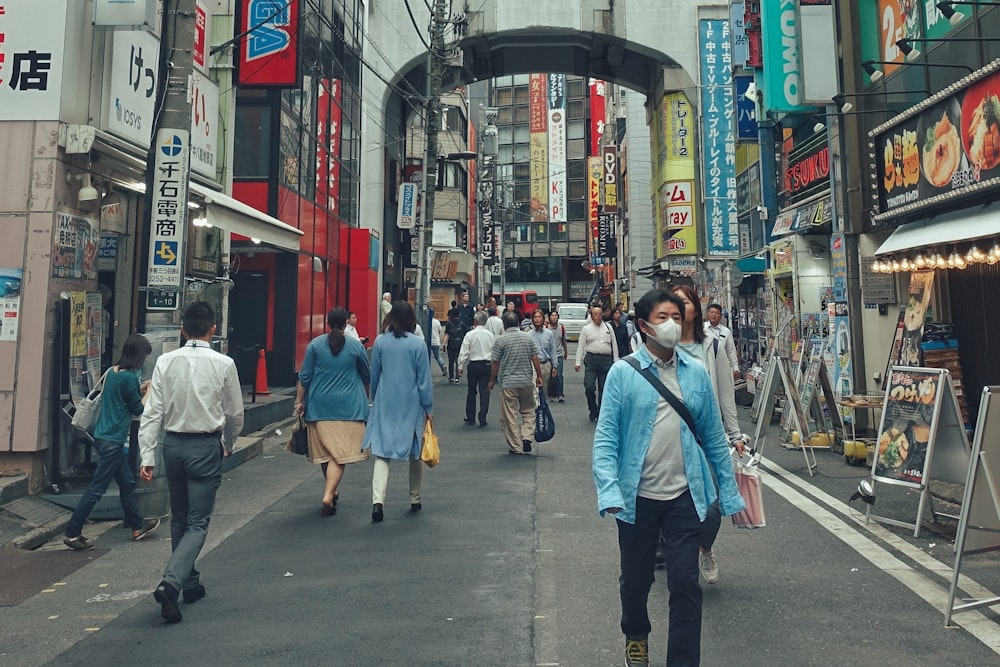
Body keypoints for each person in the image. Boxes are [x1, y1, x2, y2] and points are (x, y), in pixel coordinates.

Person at [592, 288, 745, 667]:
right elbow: (606, 438)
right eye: (663, 318)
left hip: (684, 496)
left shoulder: (695, 373)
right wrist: (609, 489)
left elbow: (711, 436)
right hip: (637, 498)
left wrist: (728, 493)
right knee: (636, 582)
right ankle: (636, 632)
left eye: (677, 317)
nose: (672, 325)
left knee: (684, 585)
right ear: (643, 326)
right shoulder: (622, 373)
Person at [139, 301, 244, 624]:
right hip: (204, 446)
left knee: (180, 518)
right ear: (213, 328)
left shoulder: (165, 362)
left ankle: (190, 582)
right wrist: (228, 442)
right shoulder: (224, 363)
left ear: (183, 329)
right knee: (198, 523)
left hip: (172, 445)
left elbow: (152, 411)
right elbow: (234, 413)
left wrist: (147, 454)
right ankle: (171, 583)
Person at [671, 285, 746, 585]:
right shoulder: (662, 345)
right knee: (673, 504)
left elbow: (725, 393)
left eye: (684, 301)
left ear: (695, 308)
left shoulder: (712, 346)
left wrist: (735, 434)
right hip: (670, 440)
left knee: (712, 509)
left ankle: (705, 547)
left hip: (705, 439)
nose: (679, 306)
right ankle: (676, 556)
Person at [63, 334, 159, 551]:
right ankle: (72, 532)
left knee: (125, 481)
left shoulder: (113, 372)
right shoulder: (130, 377)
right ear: (139, 355)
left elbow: (121, 397)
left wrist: (139, 390)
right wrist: (149, 392)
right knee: (97, 488)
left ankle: (137, 526)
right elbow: (138, 410)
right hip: (113, 440)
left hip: (101, 436)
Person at [294, 307, 371, 517]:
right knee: (340, 454)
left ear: (328, 323)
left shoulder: (316, 345)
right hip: (350, 408)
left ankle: (333, 490)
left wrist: (299, 401)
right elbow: (366, 375)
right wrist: (367, 396)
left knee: (326, 453)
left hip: (319, 407)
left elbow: (305, 376)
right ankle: (329, 494)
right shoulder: (356, 347)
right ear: (346, 322)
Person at [362, 301, 433, 522]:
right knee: (414, 451)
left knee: (382, 452)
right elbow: (424, 380)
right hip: (411, 404)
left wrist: (375, 396)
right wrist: (428, 407)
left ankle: (377, 502)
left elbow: (375, 375)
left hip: (386, 402)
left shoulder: (380, 342)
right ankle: (415, 498)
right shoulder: (418, 344)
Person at [488, 311, 543, 455]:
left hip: (508, 383)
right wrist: (539, 376)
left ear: (504, 325)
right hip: (526, 381)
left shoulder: (500, 340)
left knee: (509, 415)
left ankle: (516, 445)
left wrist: (491, 380)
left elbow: (495, 363)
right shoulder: (527, 338)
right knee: (529, 410)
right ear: (518, 323)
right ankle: (527, 437)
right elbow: (535, 358)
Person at [575, 306, 620, 421]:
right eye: (595, 314)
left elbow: (614, 344)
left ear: (603, 315)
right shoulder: (586, 329)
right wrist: (577, 361)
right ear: (591, 315)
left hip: (606, 359)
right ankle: (592, 408)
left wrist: (616, 360)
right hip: (591, 358)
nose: (598, 317)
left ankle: (601, 411)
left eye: (600, 314)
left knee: (603, 387)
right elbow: (581, 345)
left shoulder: (608, 327)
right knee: (589, 386)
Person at [458, 310, 495, 427]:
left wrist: (460, 365)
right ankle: (482, 417)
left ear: (475, 321)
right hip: (487, 365)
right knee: (485, 391)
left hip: (473, 364)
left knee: (471, 391)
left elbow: (464, 350)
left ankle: (470, 416)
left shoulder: (470, 334)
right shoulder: (490, 335)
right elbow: (494, 352)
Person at [705, 303, 740, 381]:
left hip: (722, 367)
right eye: (712, 312)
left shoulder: (726, 331)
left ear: (720, 316)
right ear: (708, 314)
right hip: (706, 367)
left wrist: (735, 368)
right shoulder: (702, 329)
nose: (714, 315)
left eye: (717, 313)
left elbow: (731, 350)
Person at [528, 308, 561, 391]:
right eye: (535, 317)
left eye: (539, 317)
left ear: (543, 319)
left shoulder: (549, 334)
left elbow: (552, 351)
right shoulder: (528, 335)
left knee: (544, 390)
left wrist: (554, 366)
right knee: (534, 391)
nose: (537, 319)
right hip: (532, 366)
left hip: (545, 365)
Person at [547, 310, 567, 403]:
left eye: (556, 316)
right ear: (549, 318)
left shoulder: (562, 328)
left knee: (559, 375)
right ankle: (551, 394)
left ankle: (560, 394)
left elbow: (564, 341)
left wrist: (565, 352)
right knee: (550, 376)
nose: (554, 317)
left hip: (559, 354)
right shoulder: (546, 328)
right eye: (552, 316)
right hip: (548, 355)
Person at [442, 309, 467, 383]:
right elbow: (465, 334)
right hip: (459, 344)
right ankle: (457, 378)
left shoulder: (449, 324)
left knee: (451, 361)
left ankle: (451, 377)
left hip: (451, 344)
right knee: (458, 361)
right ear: (459, 315)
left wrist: (444, 343)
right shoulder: (462, 323)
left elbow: (447, 334)